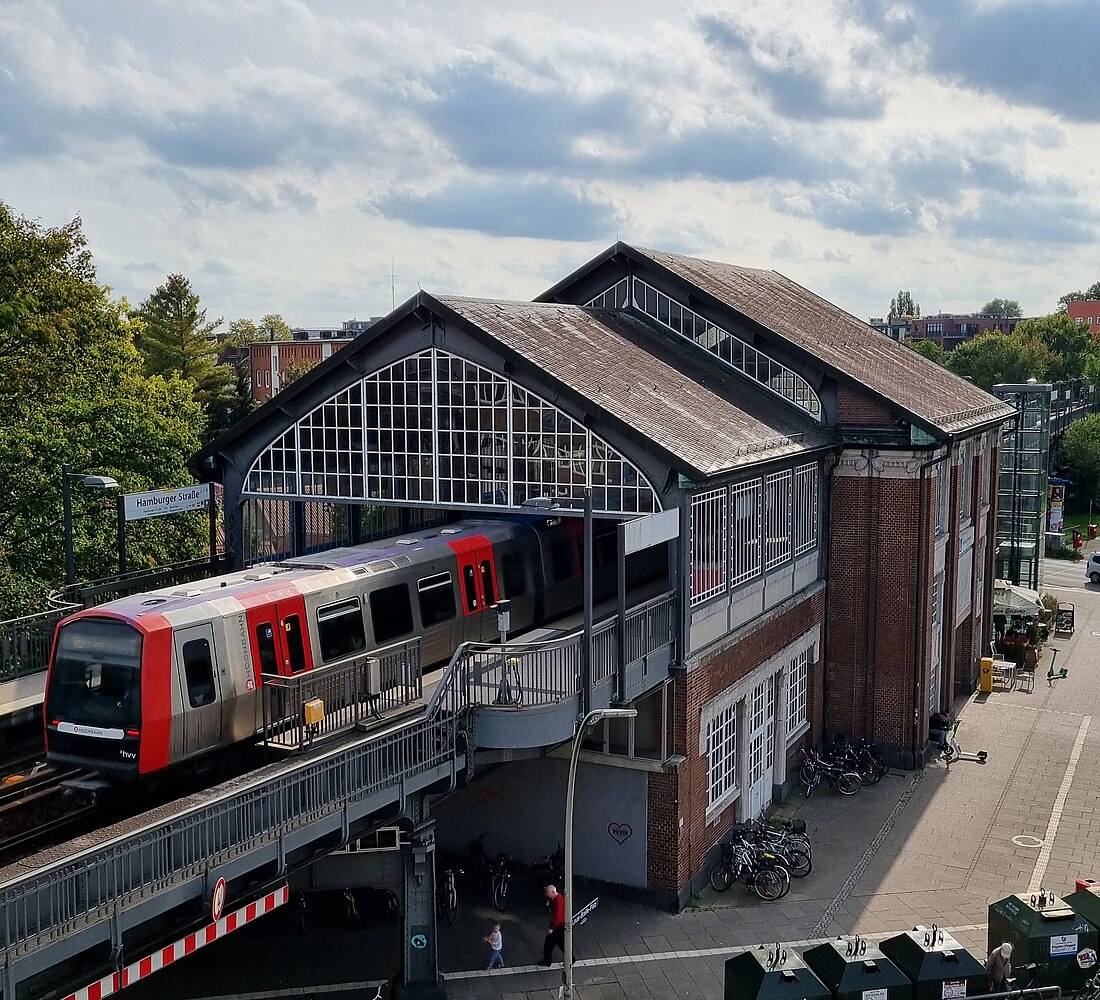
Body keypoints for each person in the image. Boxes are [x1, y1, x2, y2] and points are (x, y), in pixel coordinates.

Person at [541, 884, 566, 967]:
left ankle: (547, 961)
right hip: (558, 925)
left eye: (548, 893)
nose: (546, 894)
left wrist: (552, 928)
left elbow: (558, 917)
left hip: (558, 926)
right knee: (562, 944)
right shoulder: (555, 898)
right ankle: (570, 959)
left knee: (549, 944)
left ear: (552, 892)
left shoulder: (558, 901)